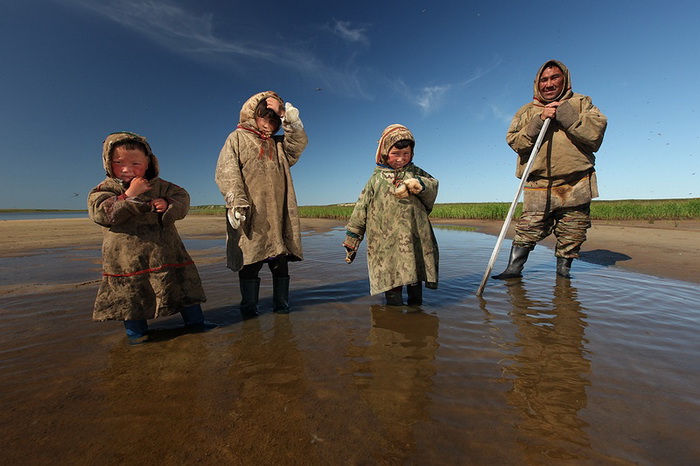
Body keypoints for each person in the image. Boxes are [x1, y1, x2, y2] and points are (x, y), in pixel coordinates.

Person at [88, 132, 212, 344]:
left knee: (184, 288)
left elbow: (183, 199)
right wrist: (128, 196)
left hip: (167, 252)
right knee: (131, 296)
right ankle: (136, 336)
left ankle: (197, 324)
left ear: (149, 163)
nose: (127, 169)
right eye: (118, 163)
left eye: (135, 163)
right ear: (108, 164)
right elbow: (99, 212)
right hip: (127, 259)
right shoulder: (106, 188)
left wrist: (167, 203)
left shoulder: (163, 186)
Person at [493, 59, 607, 280]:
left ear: (565, 79)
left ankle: (563, 276)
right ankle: (513, 271)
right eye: (544, 80)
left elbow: (594, 136)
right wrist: (540, 119)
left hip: (576, 183)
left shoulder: (582, 103)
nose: (549, 84)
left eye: (554, 77)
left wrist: (564, 113)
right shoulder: (526, 111)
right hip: (539, 184)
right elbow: (515, 142)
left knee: (572, 233)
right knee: (528, 229)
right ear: (537, 84)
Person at [215, 91, 308, 318]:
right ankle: (249, 310)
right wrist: (236, 202)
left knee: (279, 262)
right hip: (249, 214)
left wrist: (286, 114)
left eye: (274, 120)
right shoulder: (236, 139)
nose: (269, 124)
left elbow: (299, 142)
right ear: (251, 115)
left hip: (277, 215)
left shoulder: (279, 146)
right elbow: (227, 171)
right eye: (264, 118)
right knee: (250, 262)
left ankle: (281, 307)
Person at [343, 124, 439, 306]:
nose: (401, 159)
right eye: (395, 153)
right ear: (385, 151)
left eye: (406, 154)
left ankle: (415, 315)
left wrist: (419, 184)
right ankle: (393, 318)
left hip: (414, 236)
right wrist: (352, 240)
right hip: (385, 241)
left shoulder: (416, 173)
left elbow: (433, 186)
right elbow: (361, 209)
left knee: (414, 276)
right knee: (390, 277)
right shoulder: (376, 179)